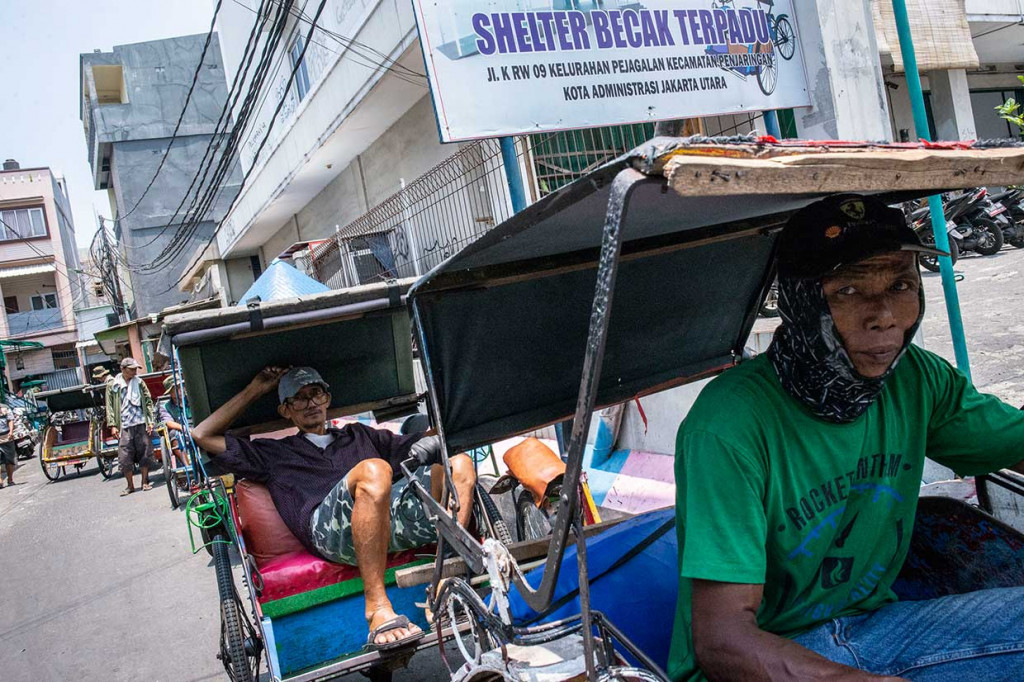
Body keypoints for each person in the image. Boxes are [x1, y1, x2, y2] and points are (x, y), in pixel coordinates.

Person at [669, 194, 1024, 681]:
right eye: (849, 291)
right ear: (801, 302)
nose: (885, 316)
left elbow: (1013, 441)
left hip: (872, 625)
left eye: (900, 284)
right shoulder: (729, 424)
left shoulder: (915, 378)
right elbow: (723, 641)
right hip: (775, 654)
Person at [192, 366, 477, 651]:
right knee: (374, 470)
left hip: (388, 521)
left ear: (327, 398)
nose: (311, 403)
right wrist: (255, 389)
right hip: (331, 534)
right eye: (299, 398)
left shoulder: (360, 435)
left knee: (458, 462)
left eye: (316, 394)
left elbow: (425, 444)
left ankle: (445, 582)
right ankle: (377, 609)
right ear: (285, 410)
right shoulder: (273, 453)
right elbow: (202, 435)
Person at [106, 357, 156, 496]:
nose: (134, 372)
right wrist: (113, 425)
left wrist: (150, 421)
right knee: (125, 456)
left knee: (145, 452)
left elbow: (147, 401)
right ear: (123, 369)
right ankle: (130, 486)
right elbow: (109, 406)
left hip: (140, 421)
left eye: (135, 369)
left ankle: (144, 482)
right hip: (124, 424)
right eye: (131, 369)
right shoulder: (113, 385)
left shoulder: (139, 383)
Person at [158, 375, 190, 467]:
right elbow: (168, 422)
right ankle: (188, 467)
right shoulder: (165, 407)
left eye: (181, 387)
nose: (180, 391)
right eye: (176, 389)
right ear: (170, 393)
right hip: (181, 430)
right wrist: (183, 428)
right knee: (173, 434)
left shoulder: (192, 399)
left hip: (196, 427)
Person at [0, 403, 16, 488]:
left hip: (7, 438)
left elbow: (10, 420)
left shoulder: (5, 408)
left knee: (9, 460)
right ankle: (0, 480)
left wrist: (11, 432)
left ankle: (10, 479)